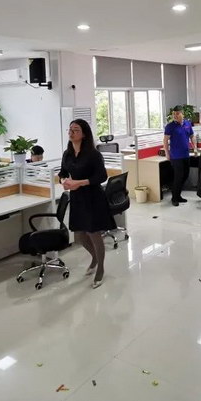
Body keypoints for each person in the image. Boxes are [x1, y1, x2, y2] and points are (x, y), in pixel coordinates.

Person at [59, 119, 114, 289]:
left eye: (75, 130)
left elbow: (101, 176)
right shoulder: (67, 154)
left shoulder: (93, 154)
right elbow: (62, 173)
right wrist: (63, 181)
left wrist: (79, 182)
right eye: (70, 130)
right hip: (77, 198)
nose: (71, 133)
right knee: (80, 236)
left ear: (84, 134)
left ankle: (100, 268)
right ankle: (95, 257)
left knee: (93, 233)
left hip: (92, 197)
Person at [163, 105, 197, 206]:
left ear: (182, 114)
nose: (175, 115)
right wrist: (167, 153)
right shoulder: (170, 126)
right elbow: (165, 140)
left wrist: (195, 147)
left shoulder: (187, 124)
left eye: (177, 114)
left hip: (185, 155)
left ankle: (178, 196)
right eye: (174, 114)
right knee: (178, 177)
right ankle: (174, 198)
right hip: (176, 156)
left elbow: (192, 136)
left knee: (185, 175)